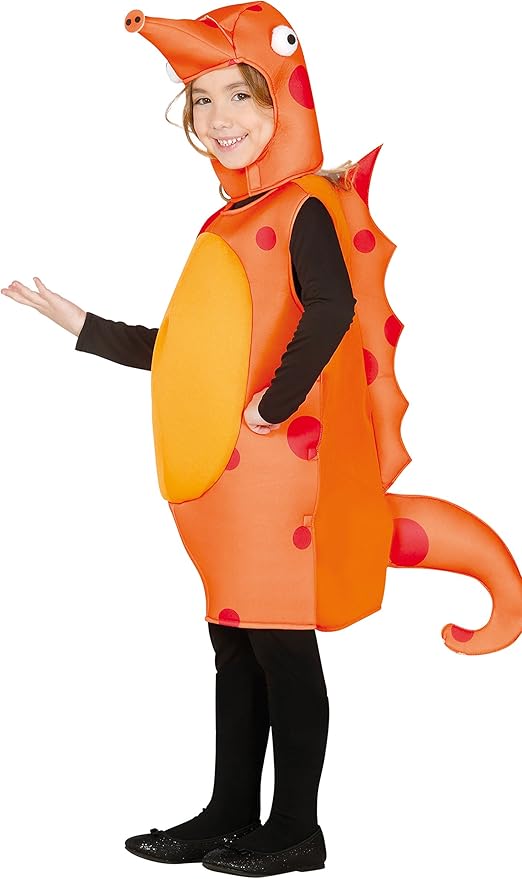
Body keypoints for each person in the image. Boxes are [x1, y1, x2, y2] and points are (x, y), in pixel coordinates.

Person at [1, 4, 367, 874]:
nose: (218, 116)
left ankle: (297, 827)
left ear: (282, 99)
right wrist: (78, 321)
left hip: (276, 470)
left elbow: (334, 307)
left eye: (238, 94)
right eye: (202, 100)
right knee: (234, 641)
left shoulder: (305, 205)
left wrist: (276, 403)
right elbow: (189, 353)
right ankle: (229, 810)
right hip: (222, 483)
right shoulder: (225, 223)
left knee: (282, 642)